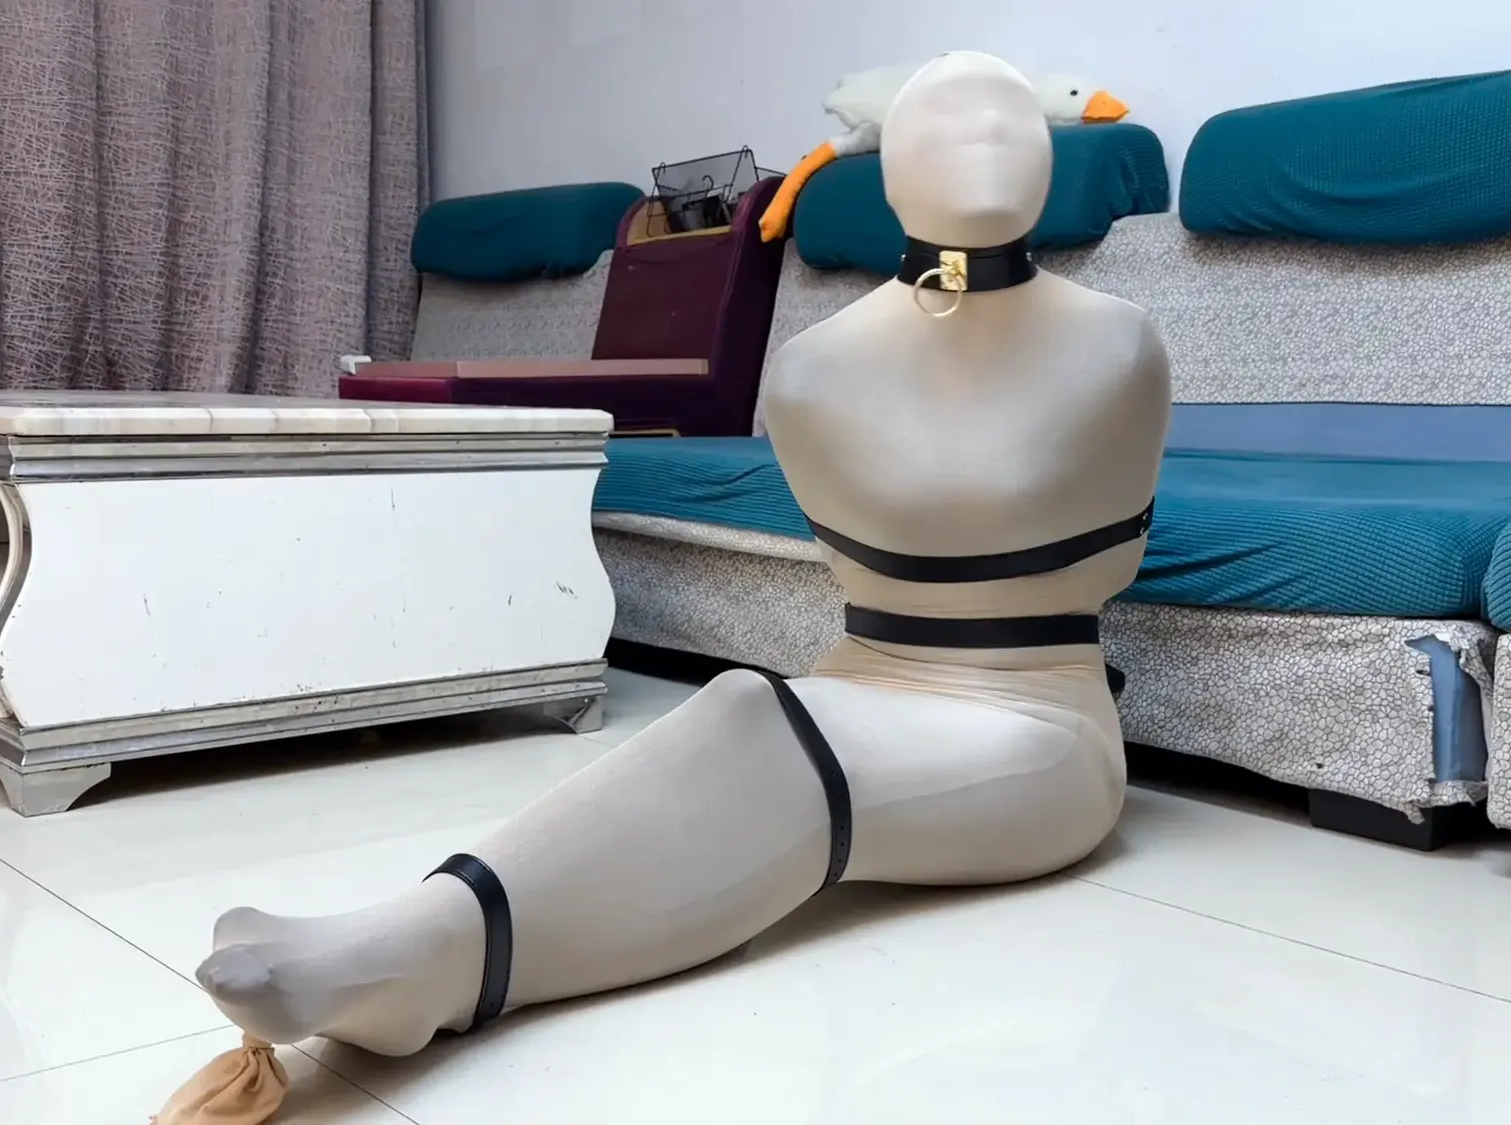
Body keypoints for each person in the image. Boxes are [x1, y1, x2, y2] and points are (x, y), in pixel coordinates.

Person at [156, 49, 1171, 1124]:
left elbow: (1101, 566)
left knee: (774, 743)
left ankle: (438, 959)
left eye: (1008, 121)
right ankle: (435, 920)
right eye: (945, 122)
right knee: (741, 717)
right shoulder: (813, 370)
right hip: (865, 681)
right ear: (881, 172)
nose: (982, 141)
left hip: (1039, 724)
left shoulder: (1117, 347)